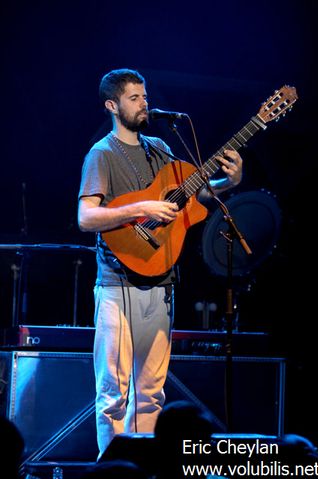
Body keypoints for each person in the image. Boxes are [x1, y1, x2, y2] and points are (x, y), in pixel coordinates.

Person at [77, 68, 243, 459]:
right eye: (134, 98)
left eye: (145, 96)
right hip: (117, 284)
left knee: (151, 392)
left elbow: (197, 197)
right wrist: (141, 208)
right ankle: (114, 470)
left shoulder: (161, 150)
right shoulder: (101, 154)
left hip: (162, 281)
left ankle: (148, 468)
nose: (144, 104)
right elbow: (86, 217)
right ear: (112, 106)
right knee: (113, 392)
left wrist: (228, 184)